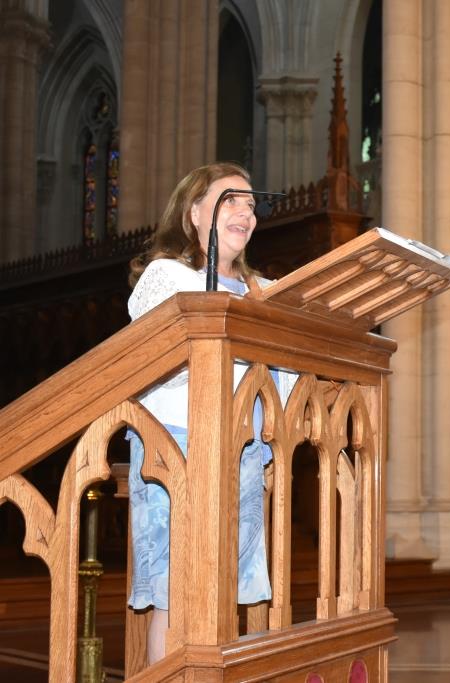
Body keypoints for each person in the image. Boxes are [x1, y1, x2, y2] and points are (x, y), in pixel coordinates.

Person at [126, 162, 295, 663]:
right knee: (176, 595)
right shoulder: (167, 276)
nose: (245, 211)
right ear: (193, 213)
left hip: (241, 451)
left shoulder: (262, 288)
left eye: (251, 203)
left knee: (222, 594)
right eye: (229, 200)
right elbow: (155, 363)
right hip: (177, 446)